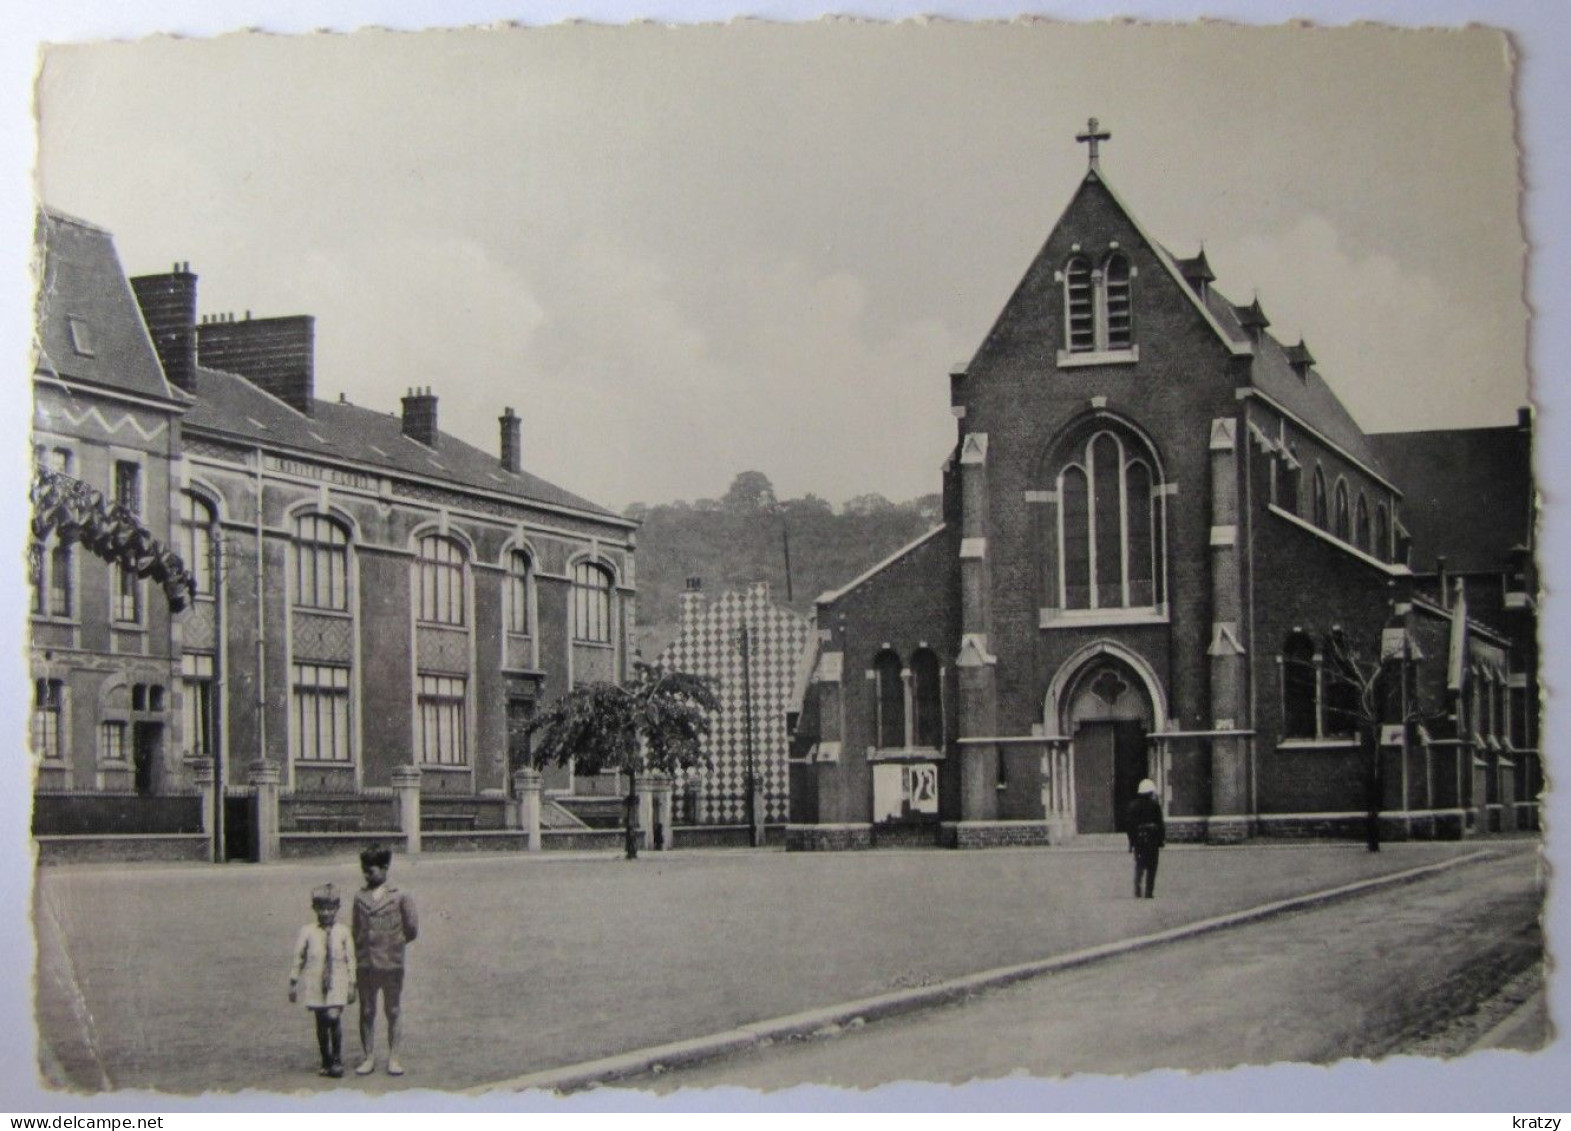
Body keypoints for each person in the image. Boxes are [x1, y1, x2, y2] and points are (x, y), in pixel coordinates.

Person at [351, 844, 419, 1076]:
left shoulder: (400, 895)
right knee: (367, 1011)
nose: (367, 875)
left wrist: (394, 945)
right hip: (366, 965)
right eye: (364, 871)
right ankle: (369, 1056)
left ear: (385, 867)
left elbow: (411, 929)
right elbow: (356, 930)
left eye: (371, 870)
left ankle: (394, 1057)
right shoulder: (359, 896)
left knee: (392, 1010)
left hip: (391, 964)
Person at [288, 883, 356, 1078]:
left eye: (330, 908)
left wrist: (352, 983)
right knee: (320, 1022)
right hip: (315, 983)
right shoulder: (307, 931)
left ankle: (336, 1059)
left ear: (337, 908)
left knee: (333, 1018)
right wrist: (293, 982)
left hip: (337, 983)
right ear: (315, 908)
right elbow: (299, 957)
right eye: (322, 908)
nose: (326, 912)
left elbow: (351, 959)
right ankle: (325, 1058)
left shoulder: (343, 931)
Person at [1125, 778, 1166, 899]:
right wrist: (1161, 840)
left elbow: (1130, 826)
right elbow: (1160, 824)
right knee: (1152, 866)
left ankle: (1137, 889)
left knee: (1140, 865)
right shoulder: (1155, 806)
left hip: (1139, 840)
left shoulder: (1132, 806)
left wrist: (1131, 842)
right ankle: (1149, 892)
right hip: (1152, 840)